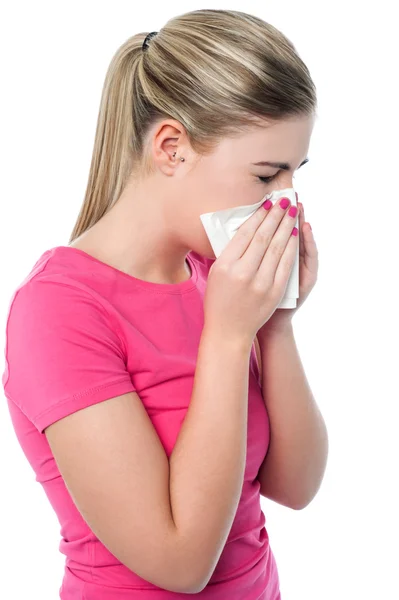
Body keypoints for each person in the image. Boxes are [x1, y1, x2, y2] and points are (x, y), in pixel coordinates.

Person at [1, 8, 319, 599]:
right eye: (265, 176)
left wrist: (275, 325)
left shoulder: (212, 280)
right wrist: (227, 338)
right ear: (171, 148)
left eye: (295, 175)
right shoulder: (58, 309)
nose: (287, 205)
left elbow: (295, 486)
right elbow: (179, 563)